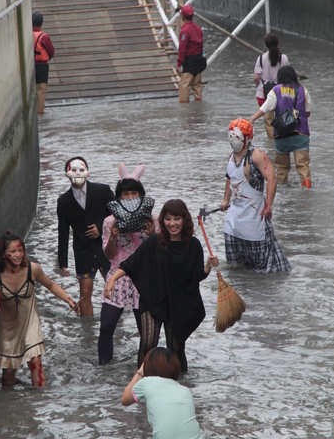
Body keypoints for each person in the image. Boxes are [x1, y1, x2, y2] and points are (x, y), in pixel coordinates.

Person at [104, 199, 217, 372]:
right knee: (148, 342)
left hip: (177, 302)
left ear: (184, 220)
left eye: (177, 219)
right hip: (152, 299)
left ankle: (180, 385)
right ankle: (141, 382)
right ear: (162, 220)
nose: (172, 224)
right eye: (168, 218)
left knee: (176, 348)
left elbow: (196, 276)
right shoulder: (154, 241)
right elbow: (131, 264)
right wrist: (112, 280)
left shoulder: (193, 245)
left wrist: (208, 266)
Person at [0, 231, 80, 387]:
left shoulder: (33, 269)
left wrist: (69, 300)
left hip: (30, 322)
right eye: (13, 251)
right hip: (6, 327)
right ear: (3, 255)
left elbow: (51, 285)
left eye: (20, 250)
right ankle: (10, 405)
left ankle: (41, 402)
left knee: (36, 362)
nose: (18, 255)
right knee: (9, 374)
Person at [97, 165, 157, 365]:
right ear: (119, 196)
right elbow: (109, 255)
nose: (130, 197)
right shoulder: (109, 221)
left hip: (144, 277)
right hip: (118, 276)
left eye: (134, 193)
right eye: (125, 193)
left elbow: (159, 253)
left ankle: (145, 368)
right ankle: (104, 367)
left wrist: (152, 235)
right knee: (106, 325)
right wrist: (113, 236)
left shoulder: (152, 218)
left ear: (141, 195)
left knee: (146, 331)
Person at [220, 118, 291, 273]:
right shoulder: (231, 157)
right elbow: (229, 178)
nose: (233, 140)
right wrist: (225, 200)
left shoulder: (257, 155)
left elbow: (272, 178)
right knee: (236, 265)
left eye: (237, 137)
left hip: (254, 214)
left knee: (263, 263)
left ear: (247, 138)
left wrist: (269, 204)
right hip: (235, 217)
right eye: (231, 136)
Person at [57, 157, 114, 317]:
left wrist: (100, 226)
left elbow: (117, 214)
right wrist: (62, 261)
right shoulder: (63, 202)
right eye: (73, 170)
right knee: (85, 292)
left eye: (81, 169)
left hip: (106, 248)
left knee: (113, 288)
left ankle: (116, 328)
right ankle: (87, 333)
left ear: (87, 172)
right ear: (67, 174)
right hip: (83, 251)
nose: (78, 174)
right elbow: (63, 231)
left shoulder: (103, 191)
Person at [250, 65, 312, 188]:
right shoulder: (303, 90)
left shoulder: (276, 90)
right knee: (303, 166)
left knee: (282, 169)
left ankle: (283, 192)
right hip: (300, 133)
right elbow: (308, 112)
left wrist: (252, 119)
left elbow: (265, 108)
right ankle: (307, 189)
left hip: (281, 135)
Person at [253, 32, 290, 141]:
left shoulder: (261, 59)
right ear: (278, 43)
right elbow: (287, 75)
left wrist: (260, 85)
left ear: (265, 45)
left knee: (268, 120)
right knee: (282, 116)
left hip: (263, 93)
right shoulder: (284, 58)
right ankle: (282, 138)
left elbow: (256, 77)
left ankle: (272, 142)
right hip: (281, 93)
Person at [177, 4, 206, 103]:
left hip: (189, 61)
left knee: (184, 86)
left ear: (182, 17)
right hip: (199, 60)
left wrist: (179, 64)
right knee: (197, 85)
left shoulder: (185, 31)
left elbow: (182, 49)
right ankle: (198, 109)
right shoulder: (198, 28)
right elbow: (201, 45)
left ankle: (184, 112)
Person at [32, 11, 54, 114]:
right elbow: (51, 51)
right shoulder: (44, 37)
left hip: (30, 66)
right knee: (40, 91)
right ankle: (39, 113)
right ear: (41, 23)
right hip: (41, 67)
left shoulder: (28, 34)